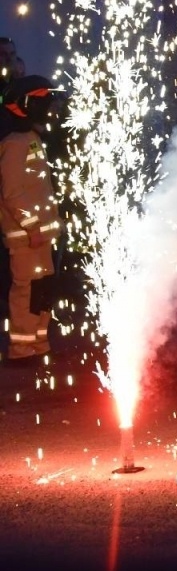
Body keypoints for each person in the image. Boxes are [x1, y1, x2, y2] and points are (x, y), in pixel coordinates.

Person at [1, 75, 62, 367]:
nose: (49, 109)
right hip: (27, 237)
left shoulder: (31, 139)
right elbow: (12, 193)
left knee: (42, 292)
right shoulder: (15, 144)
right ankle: (22, 351)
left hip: (40, 236)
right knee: (26, 292)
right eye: (43, 103)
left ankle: (38, 345)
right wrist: (32, 227)